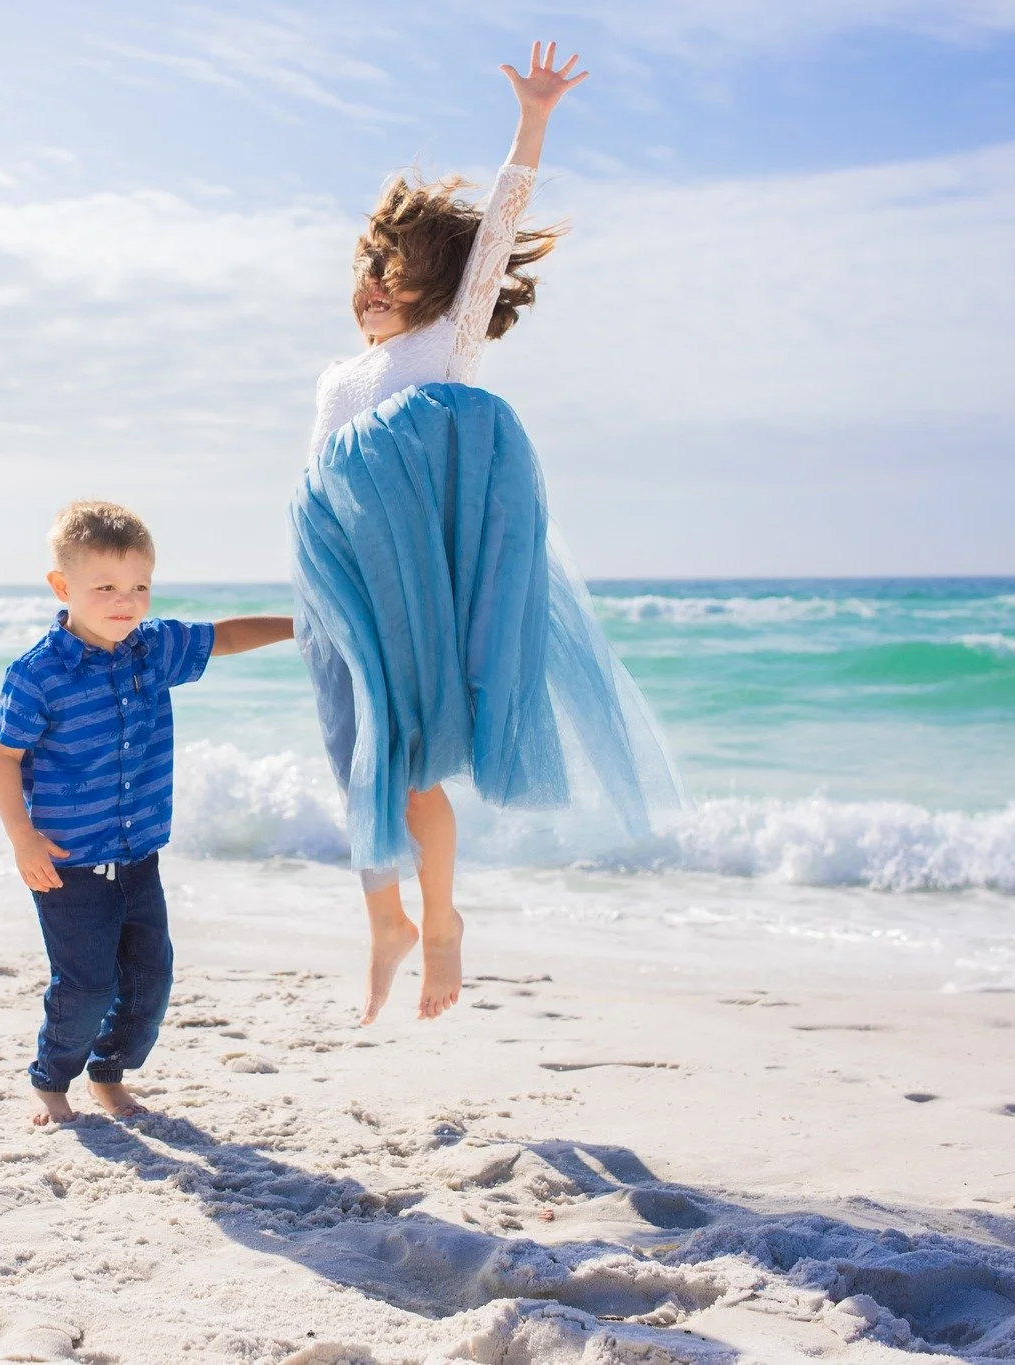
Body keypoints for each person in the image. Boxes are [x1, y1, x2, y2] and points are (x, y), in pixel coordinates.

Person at [293, 43, 681, 1026]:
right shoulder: (336, 378)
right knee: (358, 756)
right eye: (364, 270)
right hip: (338, 579)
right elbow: (320, 482)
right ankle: (385, 920)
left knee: (408, 753)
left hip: (412, 583)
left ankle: (439, 919)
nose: (372, 285)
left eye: (392, 271)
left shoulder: (443, 348)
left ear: (436, 284)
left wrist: (533, 121)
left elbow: (500, 229)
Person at [0, 501, 293, 1126]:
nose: (124, 601)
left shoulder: (153, 651)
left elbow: (226, 635)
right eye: (104, 587)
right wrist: (23, 841)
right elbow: (2, 759)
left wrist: (303, 625)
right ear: (62, 586)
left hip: (138, 857)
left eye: (139, 586)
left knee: (150, 981)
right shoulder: (37, 675)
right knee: (87, 986)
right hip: (67, 865)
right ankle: (52, 1078)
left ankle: (108, 1073)